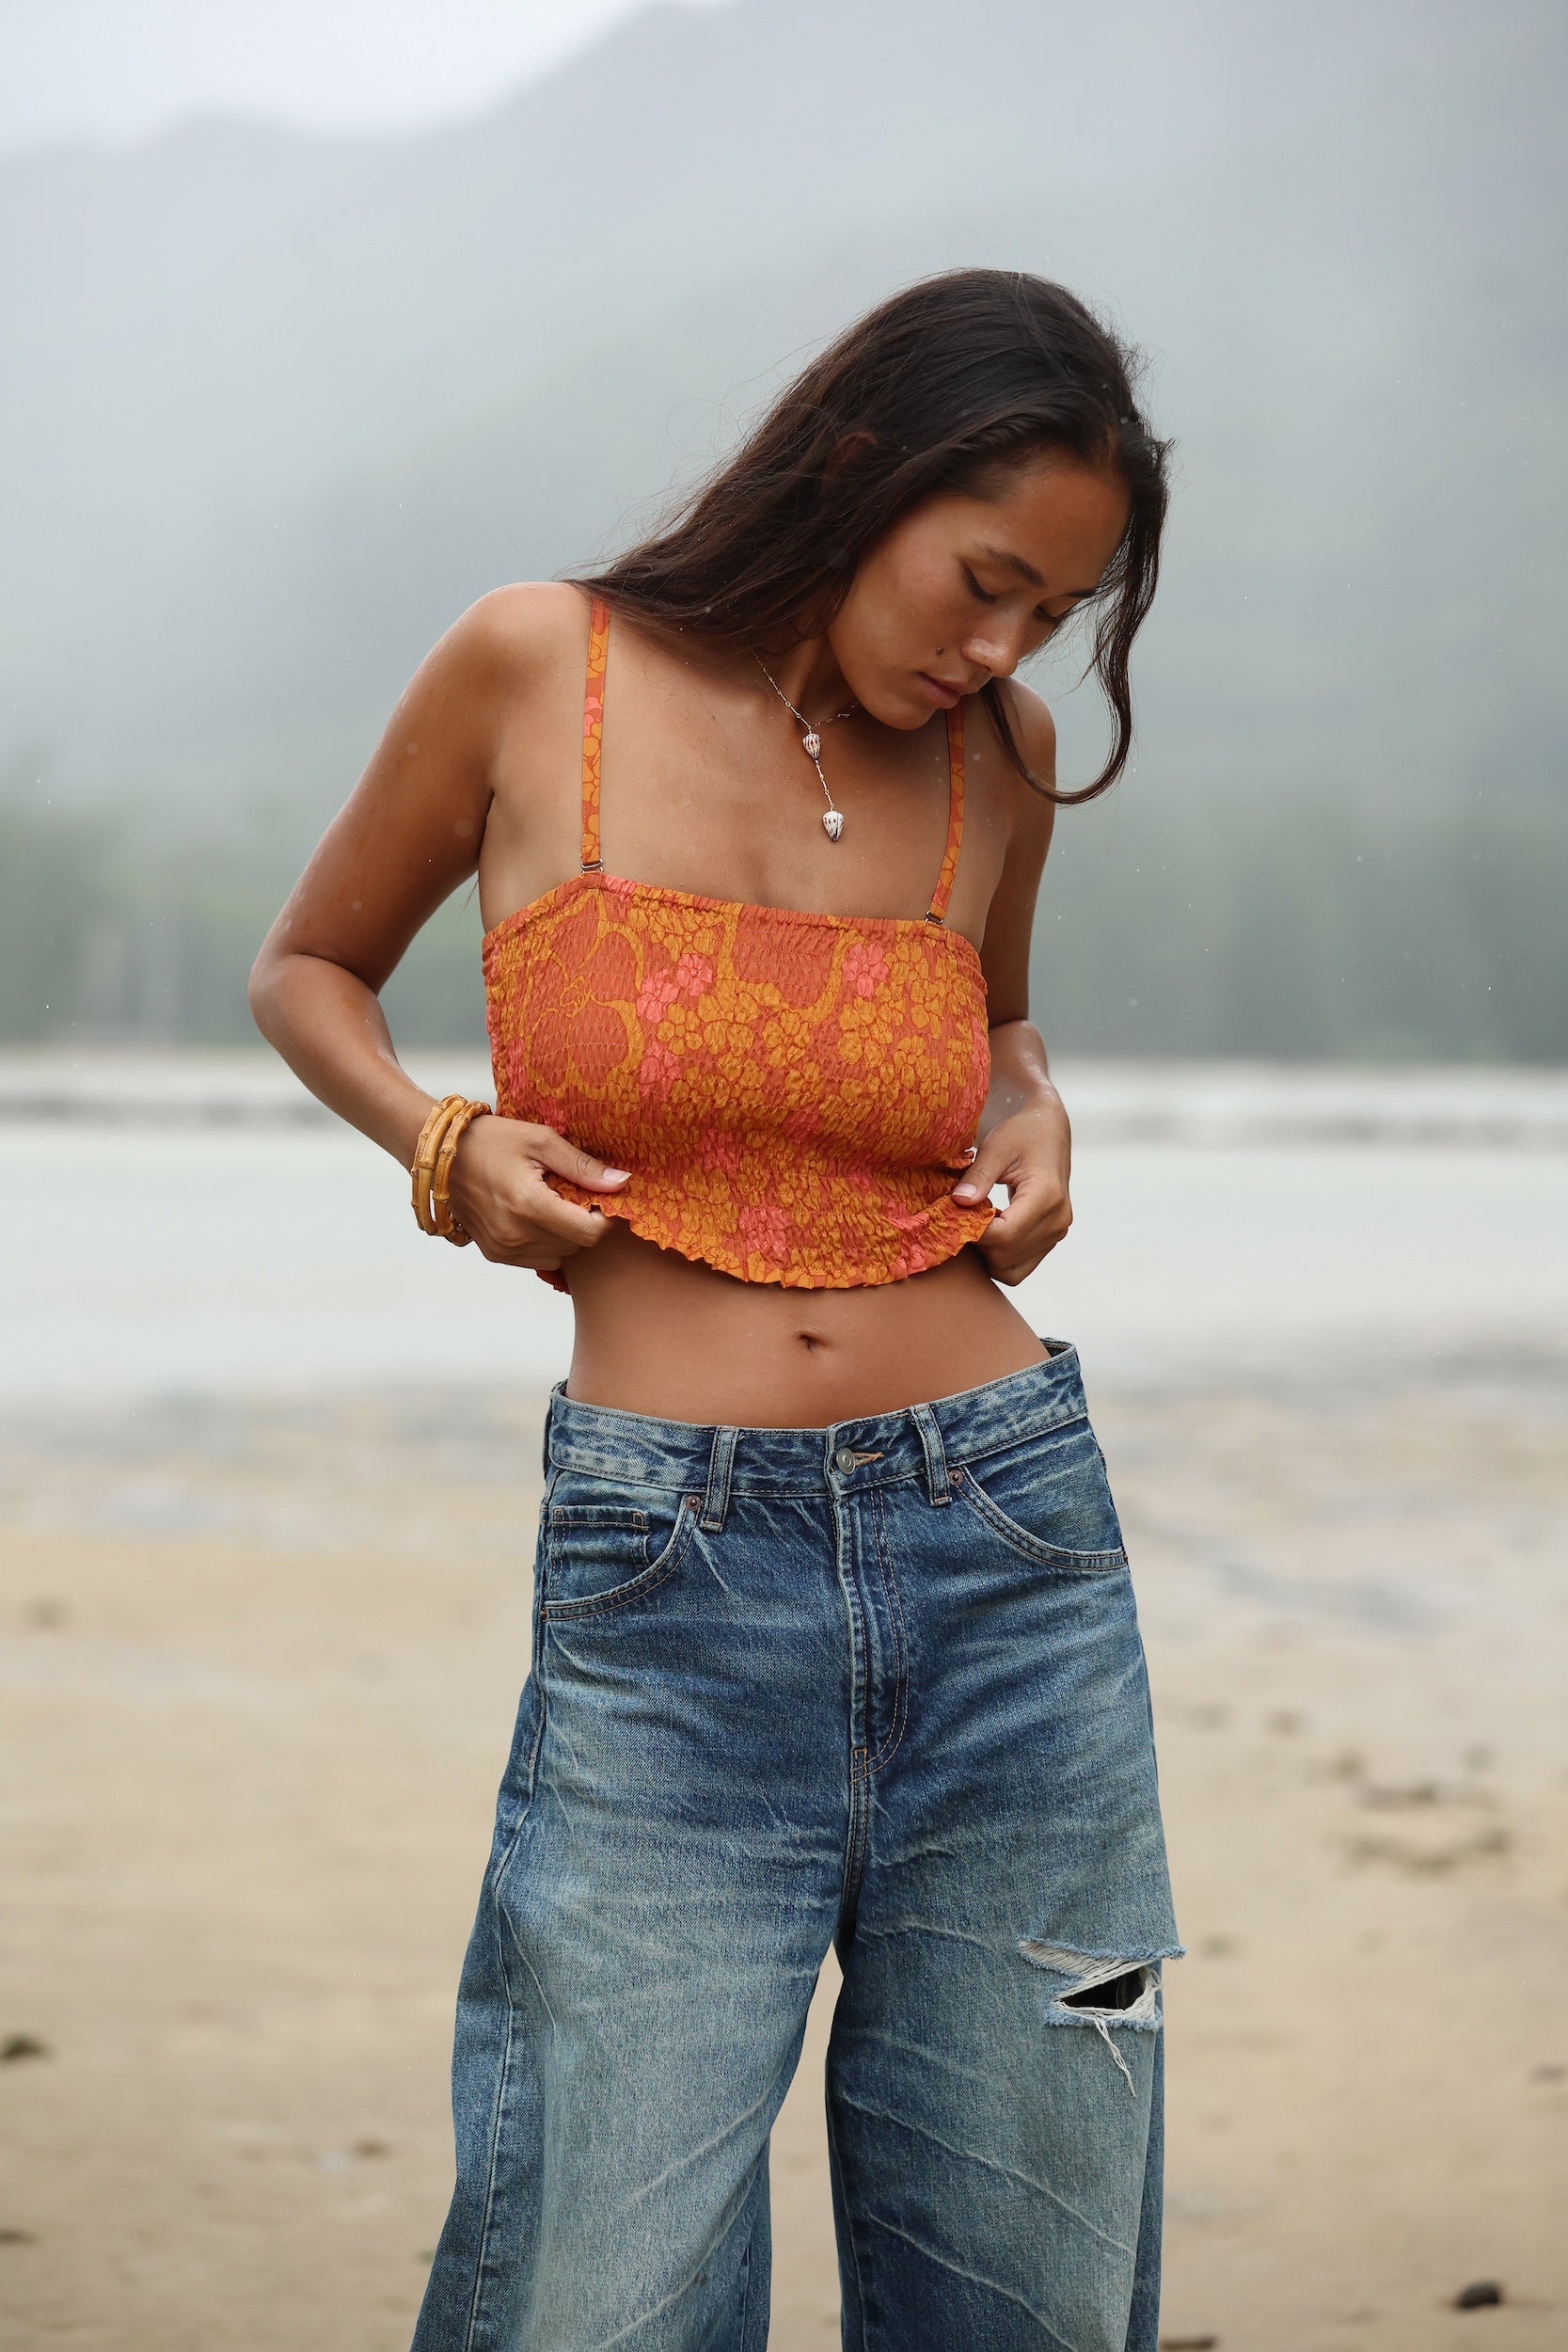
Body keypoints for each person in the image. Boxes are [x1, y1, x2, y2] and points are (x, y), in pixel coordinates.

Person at [250, 268, 1181, 2352]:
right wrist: (440, 1142)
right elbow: (308, 965)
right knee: (599, 2275)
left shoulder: (1000, 756)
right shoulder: (534, 663)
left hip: (1017, 1556)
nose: (1005, 647)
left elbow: (1004, 1022)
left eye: (1052, 615)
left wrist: (1040, 1118)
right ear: (860, 470)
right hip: (671, 1570)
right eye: (986, 581)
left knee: (1025, 2277)